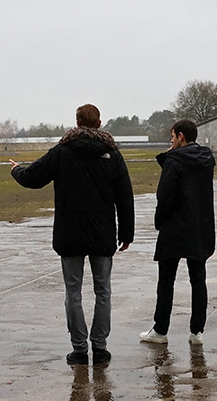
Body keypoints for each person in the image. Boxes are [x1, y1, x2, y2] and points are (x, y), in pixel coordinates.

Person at [11, 104, 134, 366]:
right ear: (99, 123)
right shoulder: (112, 154)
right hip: (102, 232)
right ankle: (99, 347)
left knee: (73, 291)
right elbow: (125, 196)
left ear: (77, 123)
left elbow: (34, 177)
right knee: (103, 291)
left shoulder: (62, 152)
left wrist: (16, 170)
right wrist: (127, 232)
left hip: (70, 232)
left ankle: (79, 349)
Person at [140, 119, 216, 346]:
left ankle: (161, 329)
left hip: (174, 226)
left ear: (181, 136)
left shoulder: (174, 161)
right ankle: (197, 331)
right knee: (198, 280)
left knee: (166, 281)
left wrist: (159, 221)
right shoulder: (206, 160)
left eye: (173, 137)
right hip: (199, 226)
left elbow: (165, 196)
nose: (171, 141)